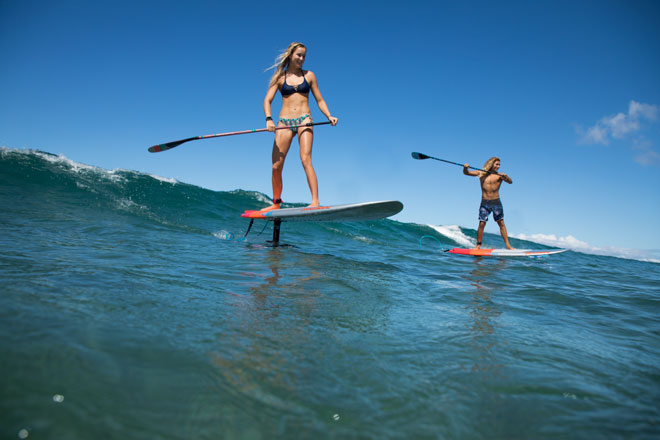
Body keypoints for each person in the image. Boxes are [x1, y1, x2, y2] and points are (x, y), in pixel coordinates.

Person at [261, 42, 338, 212]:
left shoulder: (309, 76)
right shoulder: (280, 77)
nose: (302, 59)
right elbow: (267, 100)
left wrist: (329, 115)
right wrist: (269, 119)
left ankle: (315, 201)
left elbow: (319, 99)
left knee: (305, 159)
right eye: (299, 55)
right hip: (284, 123)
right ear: (291, 55)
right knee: (276, 166)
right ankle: (276, 202)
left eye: (304, 56)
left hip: (305, 119)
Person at [463, 157, 514, 249]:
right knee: (482, 223)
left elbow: (510, 182)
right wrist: (465, 168)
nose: (498, 166)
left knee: (501, 223)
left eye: (499, 165)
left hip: (496, 202)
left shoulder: (500, 175)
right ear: (491, 164)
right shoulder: (481, 173)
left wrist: (506, 177)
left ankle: (508, 245)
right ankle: (478, 245)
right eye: (496, 164)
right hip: (484, 202)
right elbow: (467, 173)